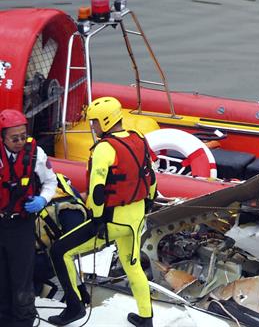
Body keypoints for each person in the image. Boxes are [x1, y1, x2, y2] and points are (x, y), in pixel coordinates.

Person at [49, 97, 157, 327]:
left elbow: (97, 191)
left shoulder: (104, 149)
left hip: (111, 220)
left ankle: (75, 307)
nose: (93, 128)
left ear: (106, 121)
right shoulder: (138, 139)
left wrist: (96, 219)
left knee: (60, 251)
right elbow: (152, 178)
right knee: (132, 265)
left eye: (95, 123)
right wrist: (147, 204)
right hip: (136, 219)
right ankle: (146, 317)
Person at [0, 108, 57, 327]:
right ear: (3, 137)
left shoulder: (36, 154)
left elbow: (51, 182)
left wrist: (42, 200)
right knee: (2, 277)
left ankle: (23, 321)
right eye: (14, 138)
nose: (20, 141)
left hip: (21, 224)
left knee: (22, 277)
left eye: (23, 136)